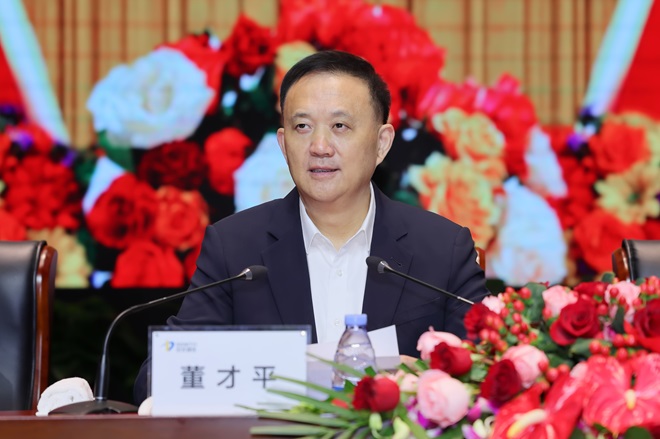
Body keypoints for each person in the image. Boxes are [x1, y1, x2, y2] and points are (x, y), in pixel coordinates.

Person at [134, 50, 487, 404]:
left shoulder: (443, 249)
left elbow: (485, 374)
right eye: (302, 127)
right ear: (283, 143)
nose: (319, 147)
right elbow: (158, 378)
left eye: (340, 126)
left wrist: (418, 379)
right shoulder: (234, 247)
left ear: (382, 143)